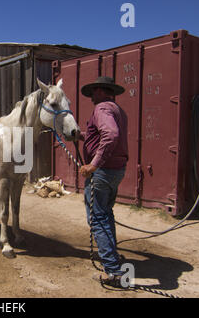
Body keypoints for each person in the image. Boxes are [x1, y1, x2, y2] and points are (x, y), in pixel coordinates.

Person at [78, 77, 129, 286]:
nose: (91, 97)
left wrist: (93, 164)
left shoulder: (101, 108)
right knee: (106, 214)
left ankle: (113, 272)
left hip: (102, 172)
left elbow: (110, 135)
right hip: (116, 171)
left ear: (99, 90)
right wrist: (81, 136)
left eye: (93, 92)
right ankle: (113, 260)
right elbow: (102, 136)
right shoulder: (117, 109)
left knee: (98, 218)